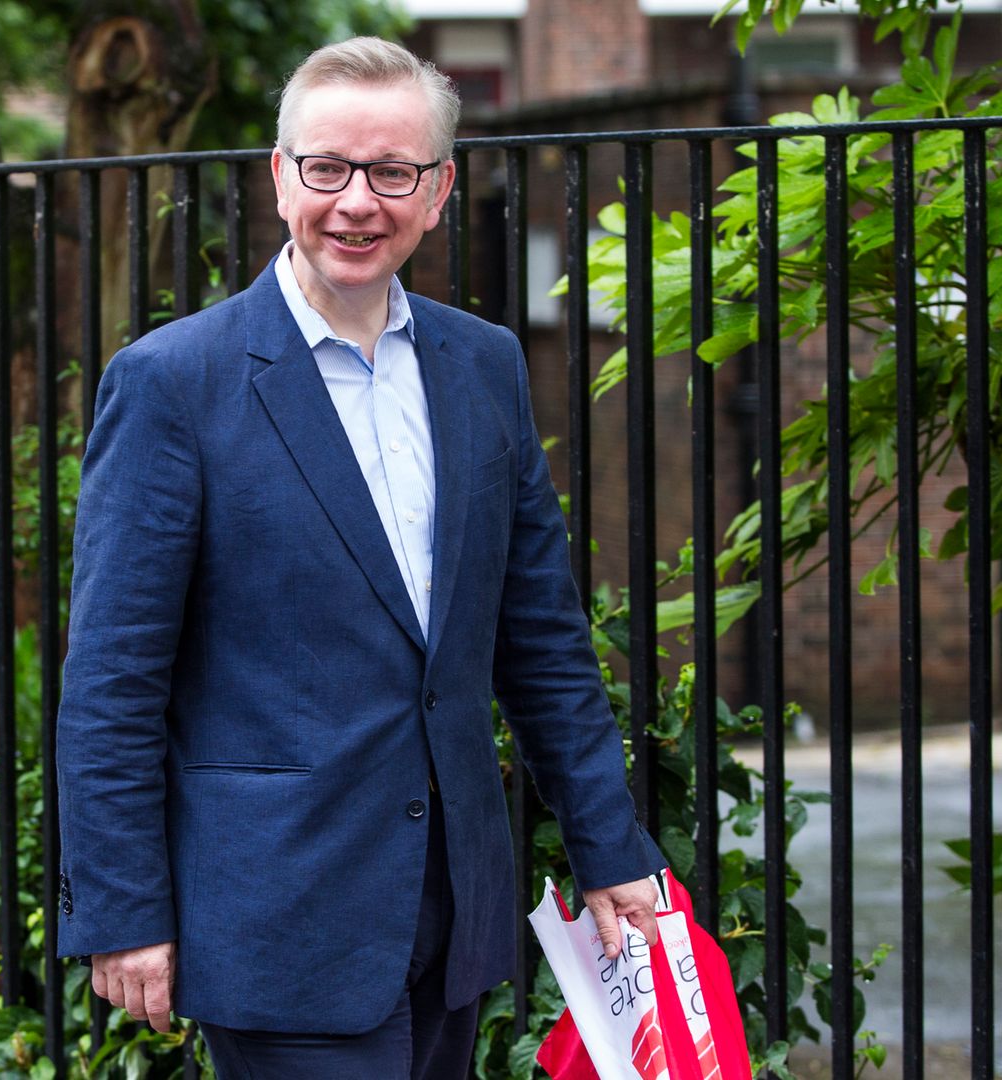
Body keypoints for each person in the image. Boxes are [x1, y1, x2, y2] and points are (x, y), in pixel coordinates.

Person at [53, 38, 666, 1079]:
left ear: (439, 191)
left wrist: (611, 848)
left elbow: (543, 641)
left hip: (455, 908)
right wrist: (120, 908)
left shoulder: (485, 365)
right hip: (278, 913)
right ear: (280, 175)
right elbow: (111, 679)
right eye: (328, 168)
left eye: (393, 173)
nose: (357, 202)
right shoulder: (173, 384)